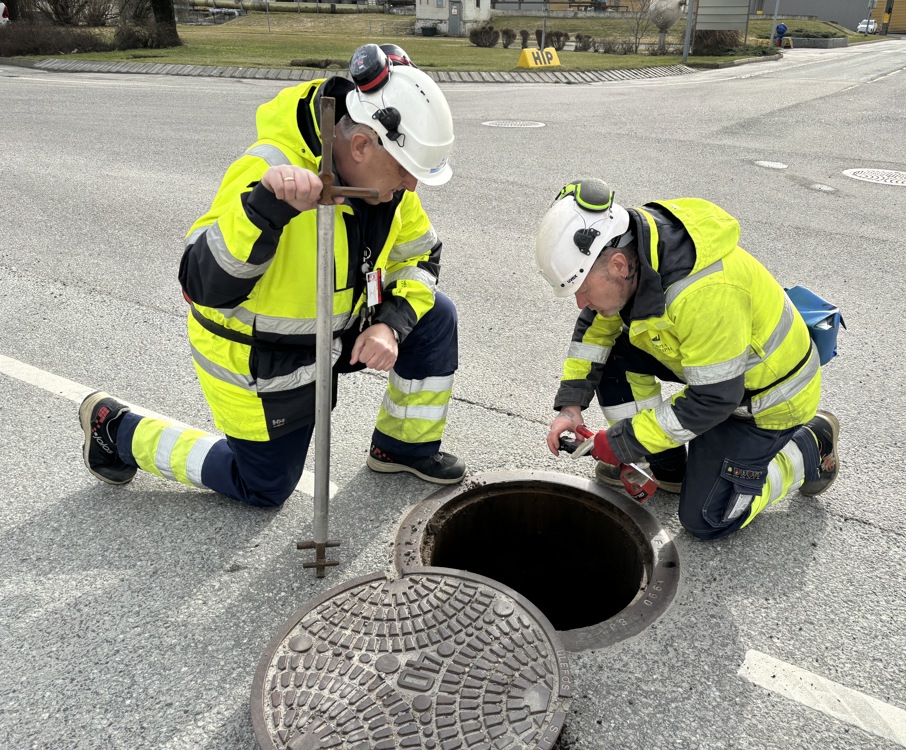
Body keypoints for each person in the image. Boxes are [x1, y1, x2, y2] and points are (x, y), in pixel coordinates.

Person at [79, 43, 466, 508]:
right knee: (264, 487)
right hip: (266, 358)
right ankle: (117, 430)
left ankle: (402, 448)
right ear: (362, 145)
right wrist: (265, 212)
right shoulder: (266, 169)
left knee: (435, 315)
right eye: (407, 171)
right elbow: (202, 285)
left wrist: (391, 324)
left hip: (340, 329)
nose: (412, 184)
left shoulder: (386, 189)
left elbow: (422, 257)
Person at [536, 178, 839, 540]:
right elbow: (595, 329)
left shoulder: (704, 293)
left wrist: (620, 442)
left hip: (768, 402)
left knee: (706, 518)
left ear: (618, 265)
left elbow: (713, 398)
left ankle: (811, 447)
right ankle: (669, 468)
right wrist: (571, 406)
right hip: (719, 376)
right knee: (611, 355)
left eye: (583, 289)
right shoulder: (638, 250)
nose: (580, 302)